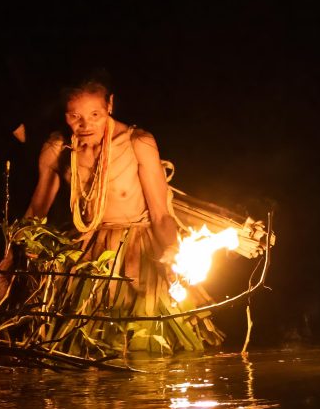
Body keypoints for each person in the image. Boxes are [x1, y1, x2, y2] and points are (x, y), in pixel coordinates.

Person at [13, 78, 220, 354]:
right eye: (75, 116)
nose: (85, 125)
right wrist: (11, 255)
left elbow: (160, 214)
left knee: (145, 342)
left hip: (138, 252)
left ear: (109, 105)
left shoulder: (138, 143)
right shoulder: (58, 148)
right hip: (85, 253)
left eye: (95, 115)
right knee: (79, 344)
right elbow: (37, 210)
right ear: (65, 114)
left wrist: (173, 252)